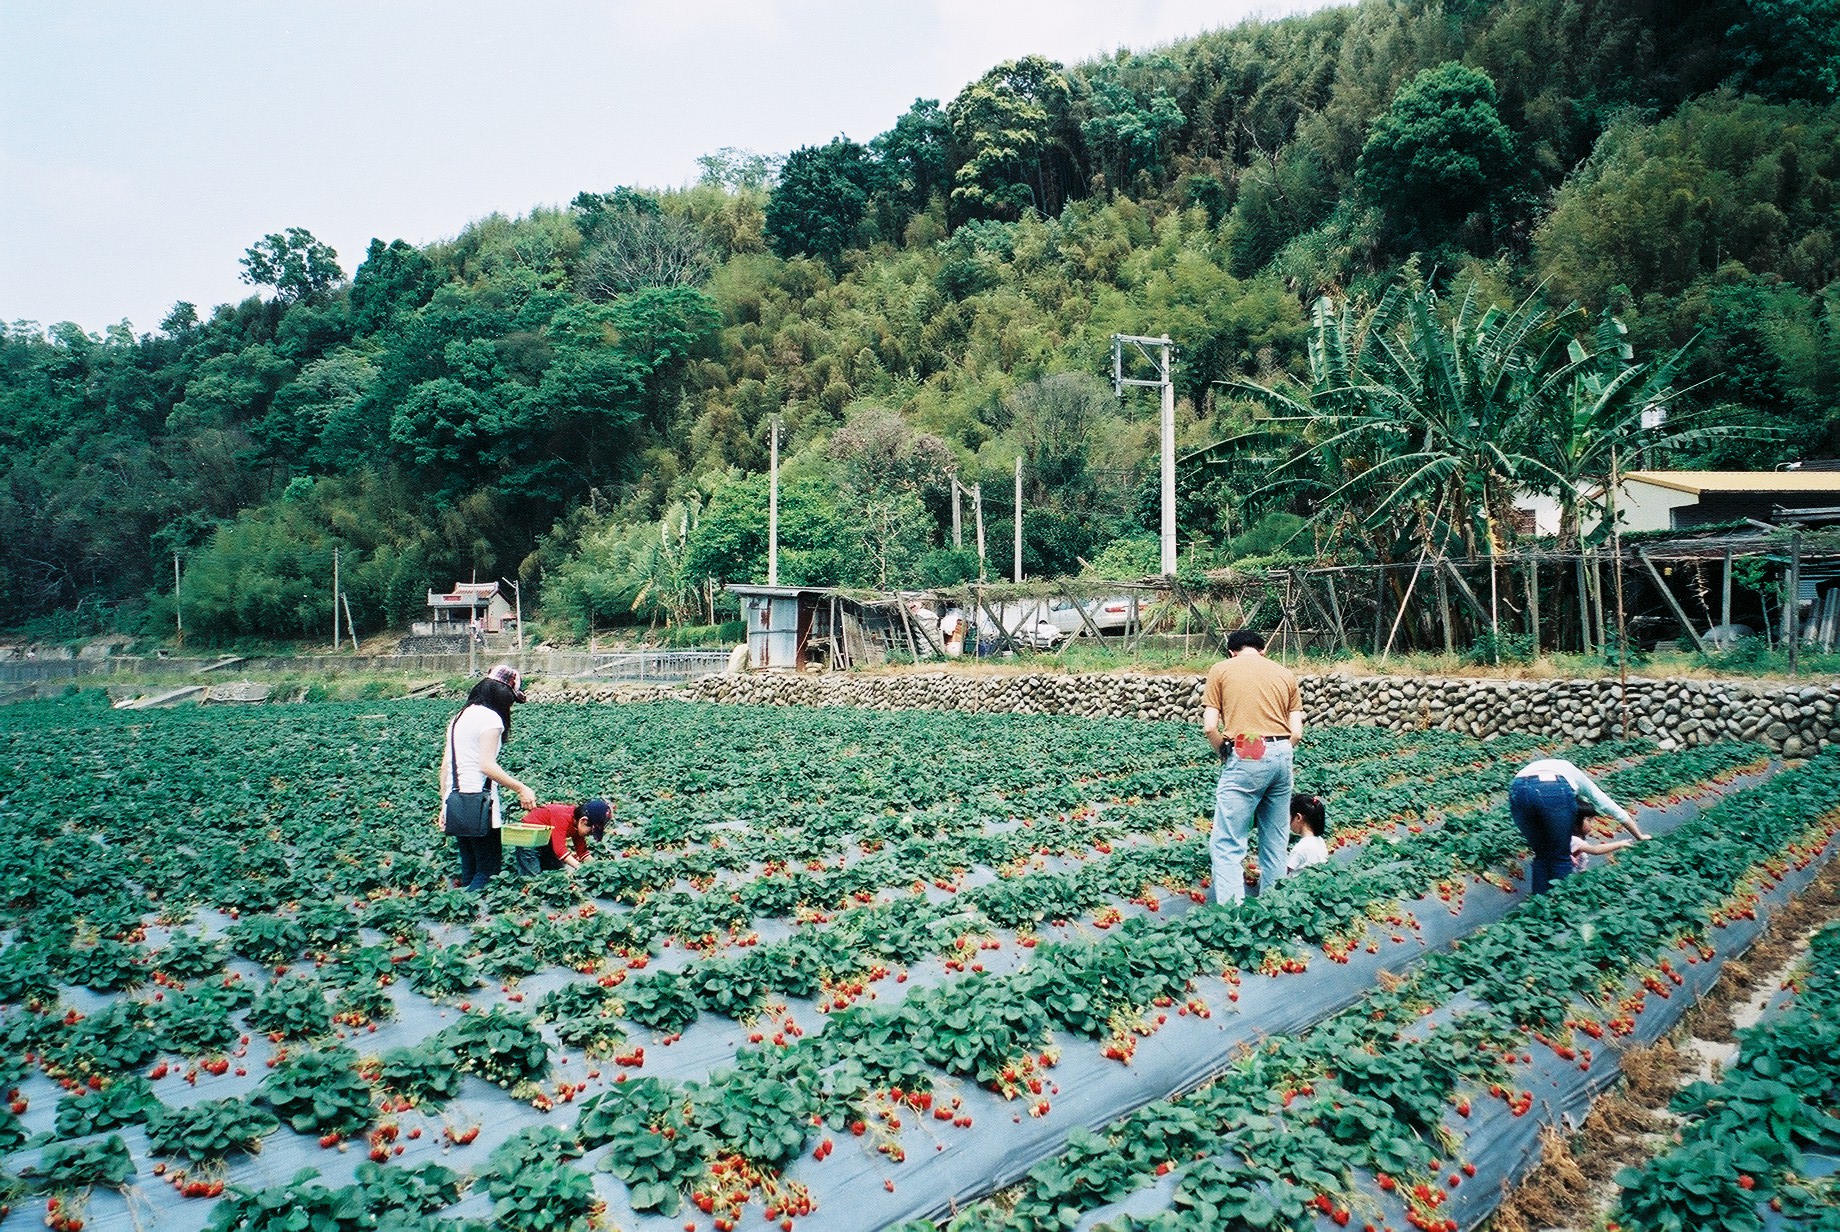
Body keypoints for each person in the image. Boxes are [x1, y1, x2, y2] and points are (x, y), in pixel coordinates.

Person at [1201, 629, 1303, 903]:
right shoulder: (1284, 674)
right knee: (1276, 836)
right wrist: (1275, 752)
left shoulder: (1221, 669)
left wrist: (1224, 750)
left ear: (1232, 651)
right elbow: (1297, 733)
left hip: (1247, 747)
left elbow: (1210, 725)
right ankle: (1274, 903)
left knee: (1228, 840)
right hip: (1282, 751)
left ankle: (1233, 911)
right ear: (1262, 650)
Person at [438, 664, 536, 893]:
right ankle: (472, 912)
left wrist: (444, 804)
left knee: (469, 869)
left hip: (456, 801)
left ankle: (459, 911)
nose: (510, 706)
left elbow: (445, 767)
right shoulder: (491, 719)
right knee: (488, 871)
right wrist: (522, 788)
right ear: (504, 695)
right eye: (511, 700)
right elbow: (486, 765)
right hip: (481, 804)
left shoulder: (458, 717)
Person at [1510, 756, 1648, 895]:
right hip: (1552, 787)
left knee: (1542, 855)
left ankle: (1540, 902)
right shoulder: (1574, 774)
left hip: (1517, 788)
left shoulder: (1558, 767)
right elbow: (1608, 805)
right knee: (1561, 857)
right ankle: (1563, 905)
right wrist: (1639, 836)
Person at [516, 799, 612, 874]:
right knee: (533, 876)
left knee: (556, 870)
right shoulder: (563, 816)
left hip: (546, 839)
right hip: (528, 837)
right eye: (591, 832)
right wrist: (581, 868)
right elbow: (560, 850)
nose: (590, 834)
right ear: (583, 821)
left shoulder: (577, 824)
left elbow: (582, 852)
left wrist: (597, 868)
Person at [1571, 807, 1634, 873]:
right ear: (1575, 822)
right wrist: (1620, 844)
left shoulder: (1568, 838)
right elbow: (1595, 850)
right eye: (1589, 820)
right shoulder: (1574, 840)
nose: (1592, 824)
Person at [1285, 794, 1329, 872]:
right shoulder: (1320, 840)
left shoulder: (1300, 848)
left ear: (1298, 817)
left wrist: (1257, 873)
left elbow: (1282, 874)